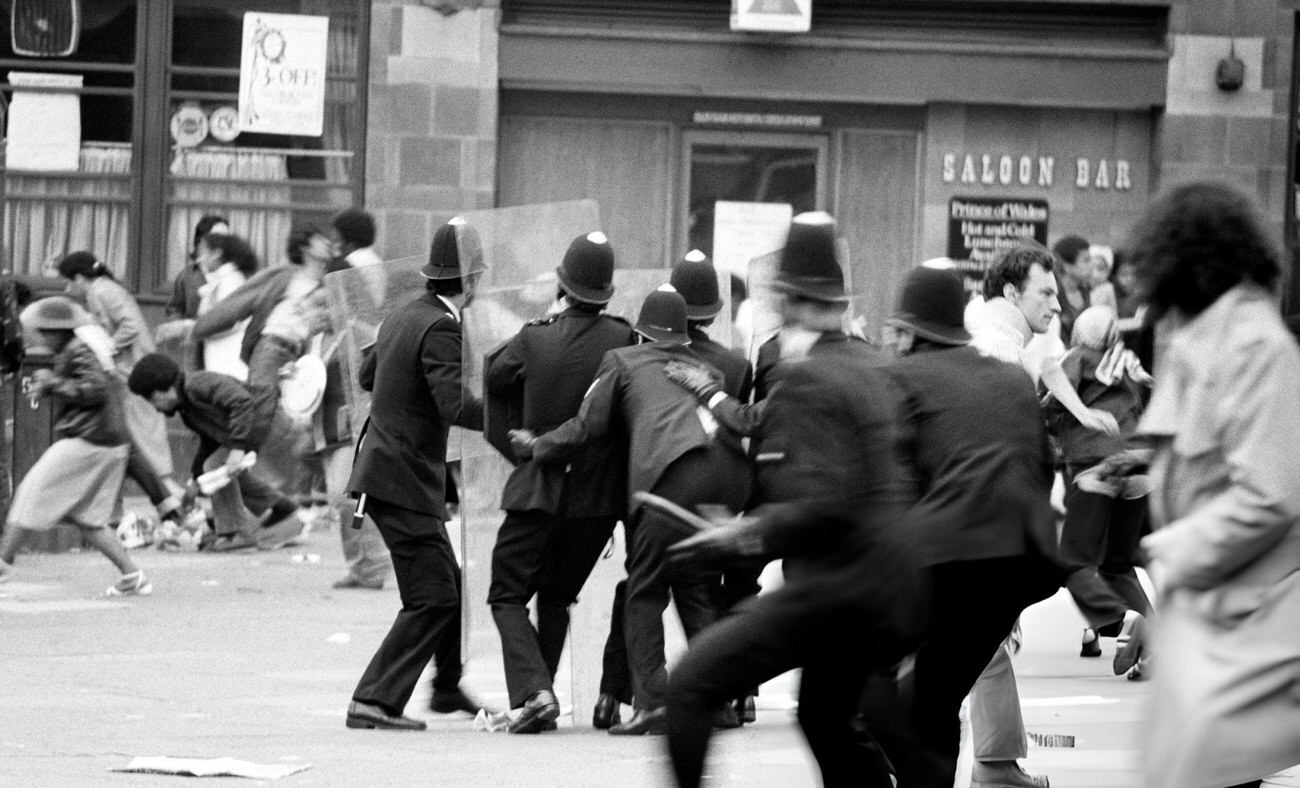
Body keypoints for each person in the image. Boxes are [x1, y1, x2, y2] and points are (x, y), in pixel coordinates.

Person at [663, 212, 926, 788]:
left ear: (785, 299)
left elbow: (823, 507)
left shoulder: (805, 377)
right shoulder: (879, 365)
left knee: (690, 684)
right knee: (825, 717)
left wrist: (744, 536)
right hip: (899, 587)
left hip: (845, 589)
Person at [511, 285, 752, 737]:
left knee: (645, 590)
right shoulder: (704, 367)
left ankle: (655, 704)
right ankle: (717, 703)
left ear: (639, 334)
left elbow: (587, 427)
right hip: (732, 479)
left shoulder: (623, 362)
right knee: (697, 584)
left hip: (674, 476)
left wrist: (538, 445)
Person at [1126, 181, 1300, 788]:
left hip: (1242, 629)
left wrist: (1171, 557)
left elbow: (1270, 495)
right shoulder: (1205, 338)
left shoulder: (1254, 344)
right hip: (1212, 625)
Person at [884, 265, 1064, 788]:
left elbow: (891, 482)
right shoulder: (1012, 375)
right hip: (1021, 570)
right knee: (936, 700)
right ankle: (980, 766)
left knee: (885, 700)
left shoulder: (903, 379)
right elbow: (1041, 468)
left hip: (950, 565)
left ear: (912, 328)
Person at [485, 231, 635, 734]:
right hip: (597, 501)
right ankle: (541, 698)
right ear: (607, 291)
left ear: (561, 283)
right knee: (555, 595)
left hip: (539, 487)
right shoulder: (625, 338)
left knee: (506, 593)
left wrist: (518, 447)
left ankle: (535, 691)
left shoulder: (534, 335)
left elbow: (494, 376)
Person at [344, 218, 487, 731]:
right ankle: (373, 700)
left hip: (391, 471)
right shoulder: (443, 326)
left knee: (448, 580)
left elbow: (366, 374)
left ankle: (446, 688)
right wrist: (513, 414)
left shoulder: (406, 314)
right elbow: (454, 404)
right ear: (470, 281)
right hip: (401, 477)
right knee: (433, 596)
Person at [0, 297, 150, 596]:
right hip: (108, 442)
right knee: (89, 518)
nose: (37, 338)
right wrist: (54, 383)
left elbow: (93, 390)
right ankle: (132, 575)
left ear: (56, 331)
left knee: (31, 491)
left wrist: (53, 384)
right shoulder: (84, 347)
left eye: (42, 332)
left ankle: (2, 563)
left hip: (88, 439)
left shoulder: (78, 349)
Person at [1045, 306, 1153, 676]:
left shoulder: (1079, 357)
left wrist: (1062, 413)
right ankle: (1154, 644)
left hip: (1096, 465)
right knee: (1117, 566)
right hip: (1139, 467)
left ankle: (1120, 621)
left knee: (1074, 561)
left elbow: (1053, 386)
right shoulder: (1128, 361)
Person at [126, 353, 305, 552]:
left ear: (161, 392)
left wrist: (237, 448)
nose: (157, 409)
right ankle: (279, 506)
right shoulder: (188, 410)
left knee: (217, 465)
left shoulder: (197, 384)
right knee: (222, 469)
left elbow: (242, 402)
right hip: (252, 426)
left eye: (151, 401)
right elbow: (210, 442)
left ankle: (235, 532)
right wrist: (195, 480)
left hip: (266, 417)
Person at [192, 222, 335, 440]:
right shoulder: (286, 275)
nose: (327, 243)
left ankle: (243, 462)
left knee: (293, 420)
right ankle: (233, 460)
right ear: (305, 247)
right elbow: (241, 301)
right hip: (272, 347)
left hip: (300, 359)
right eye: (320, 239)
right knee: (260, 412)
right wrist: (196, 328)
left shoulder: (329, 285)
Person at [58, 251, 177, 485]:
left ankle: (167, 488)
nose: (66, 289)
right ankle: (163, 487)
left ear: (80, 278)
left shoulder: (103, 291)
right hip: (131, 371)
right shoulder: (102, 290)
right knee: (138, 430)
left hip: (138, 372)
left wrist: (107, 347)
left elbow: (130, 325)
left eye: (68, 281)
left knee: (144, 429)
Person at [326, 207, 392, 591]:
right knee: (353, 479)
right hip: (363, 376)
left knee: (347, 483)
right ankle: (368, 561)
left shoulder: (345, 268)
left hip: (350, 381)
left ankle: (370, 562)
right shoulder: (376, 264)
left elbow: (351, 317)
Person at [193, 232, 259, 380]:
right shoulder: (223, 280)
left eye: (203, 252)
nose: (199, 259)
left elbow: (229, 321)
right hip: (222, 355)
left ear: (216, 254)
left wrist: (196, 329)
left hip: (229, 358)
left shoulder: (230, 281)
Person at [166, 214, 230, 320]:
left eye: (227, 238)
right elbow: (174, 310)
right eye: (218, 237)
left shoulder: (232, 273)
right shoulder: (187, 275)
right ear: (202, 241)